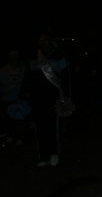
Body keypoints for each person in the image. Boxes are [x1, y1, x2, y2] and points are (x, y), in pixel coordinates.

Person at [26, 32, 71, 166]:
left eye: (45, 40)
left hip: (53, 97)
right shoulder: (34, 56)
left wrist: (66, 96)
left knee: (52, 126)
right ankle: (43, 156)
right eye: (40, 40)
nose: (43, 42)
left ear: (51, 40)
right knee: (40, 127)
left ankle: (54, 153)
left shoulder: (59, 55)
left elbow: (66, 77)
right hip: (37, 97)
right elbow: (28, 77)